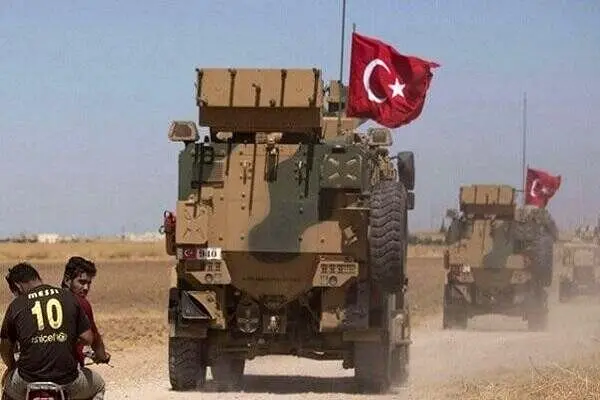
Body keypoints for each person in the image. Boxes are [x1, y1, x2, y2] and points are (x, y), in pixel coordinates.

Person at [1, 262, 105, 400]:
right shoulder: (69, 298)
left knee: (7, 385)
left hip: (27, 381)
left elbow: (4, 347)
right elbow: (88, 338)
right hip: (68, 382)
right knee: (99, 385)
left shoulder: (16, 305)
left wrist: (11, 366)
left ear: (17, 286)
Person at [61, 256, 111, 367]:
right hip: (68, 369)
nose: (86, 288)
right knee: (97, 379)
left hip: (39, 367)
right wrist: (103, 357)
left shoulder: (49, 299)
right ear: (67, 280)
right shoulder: (81, 303)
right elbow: (95, 339)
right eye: (82, 282)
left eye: (89, 283)